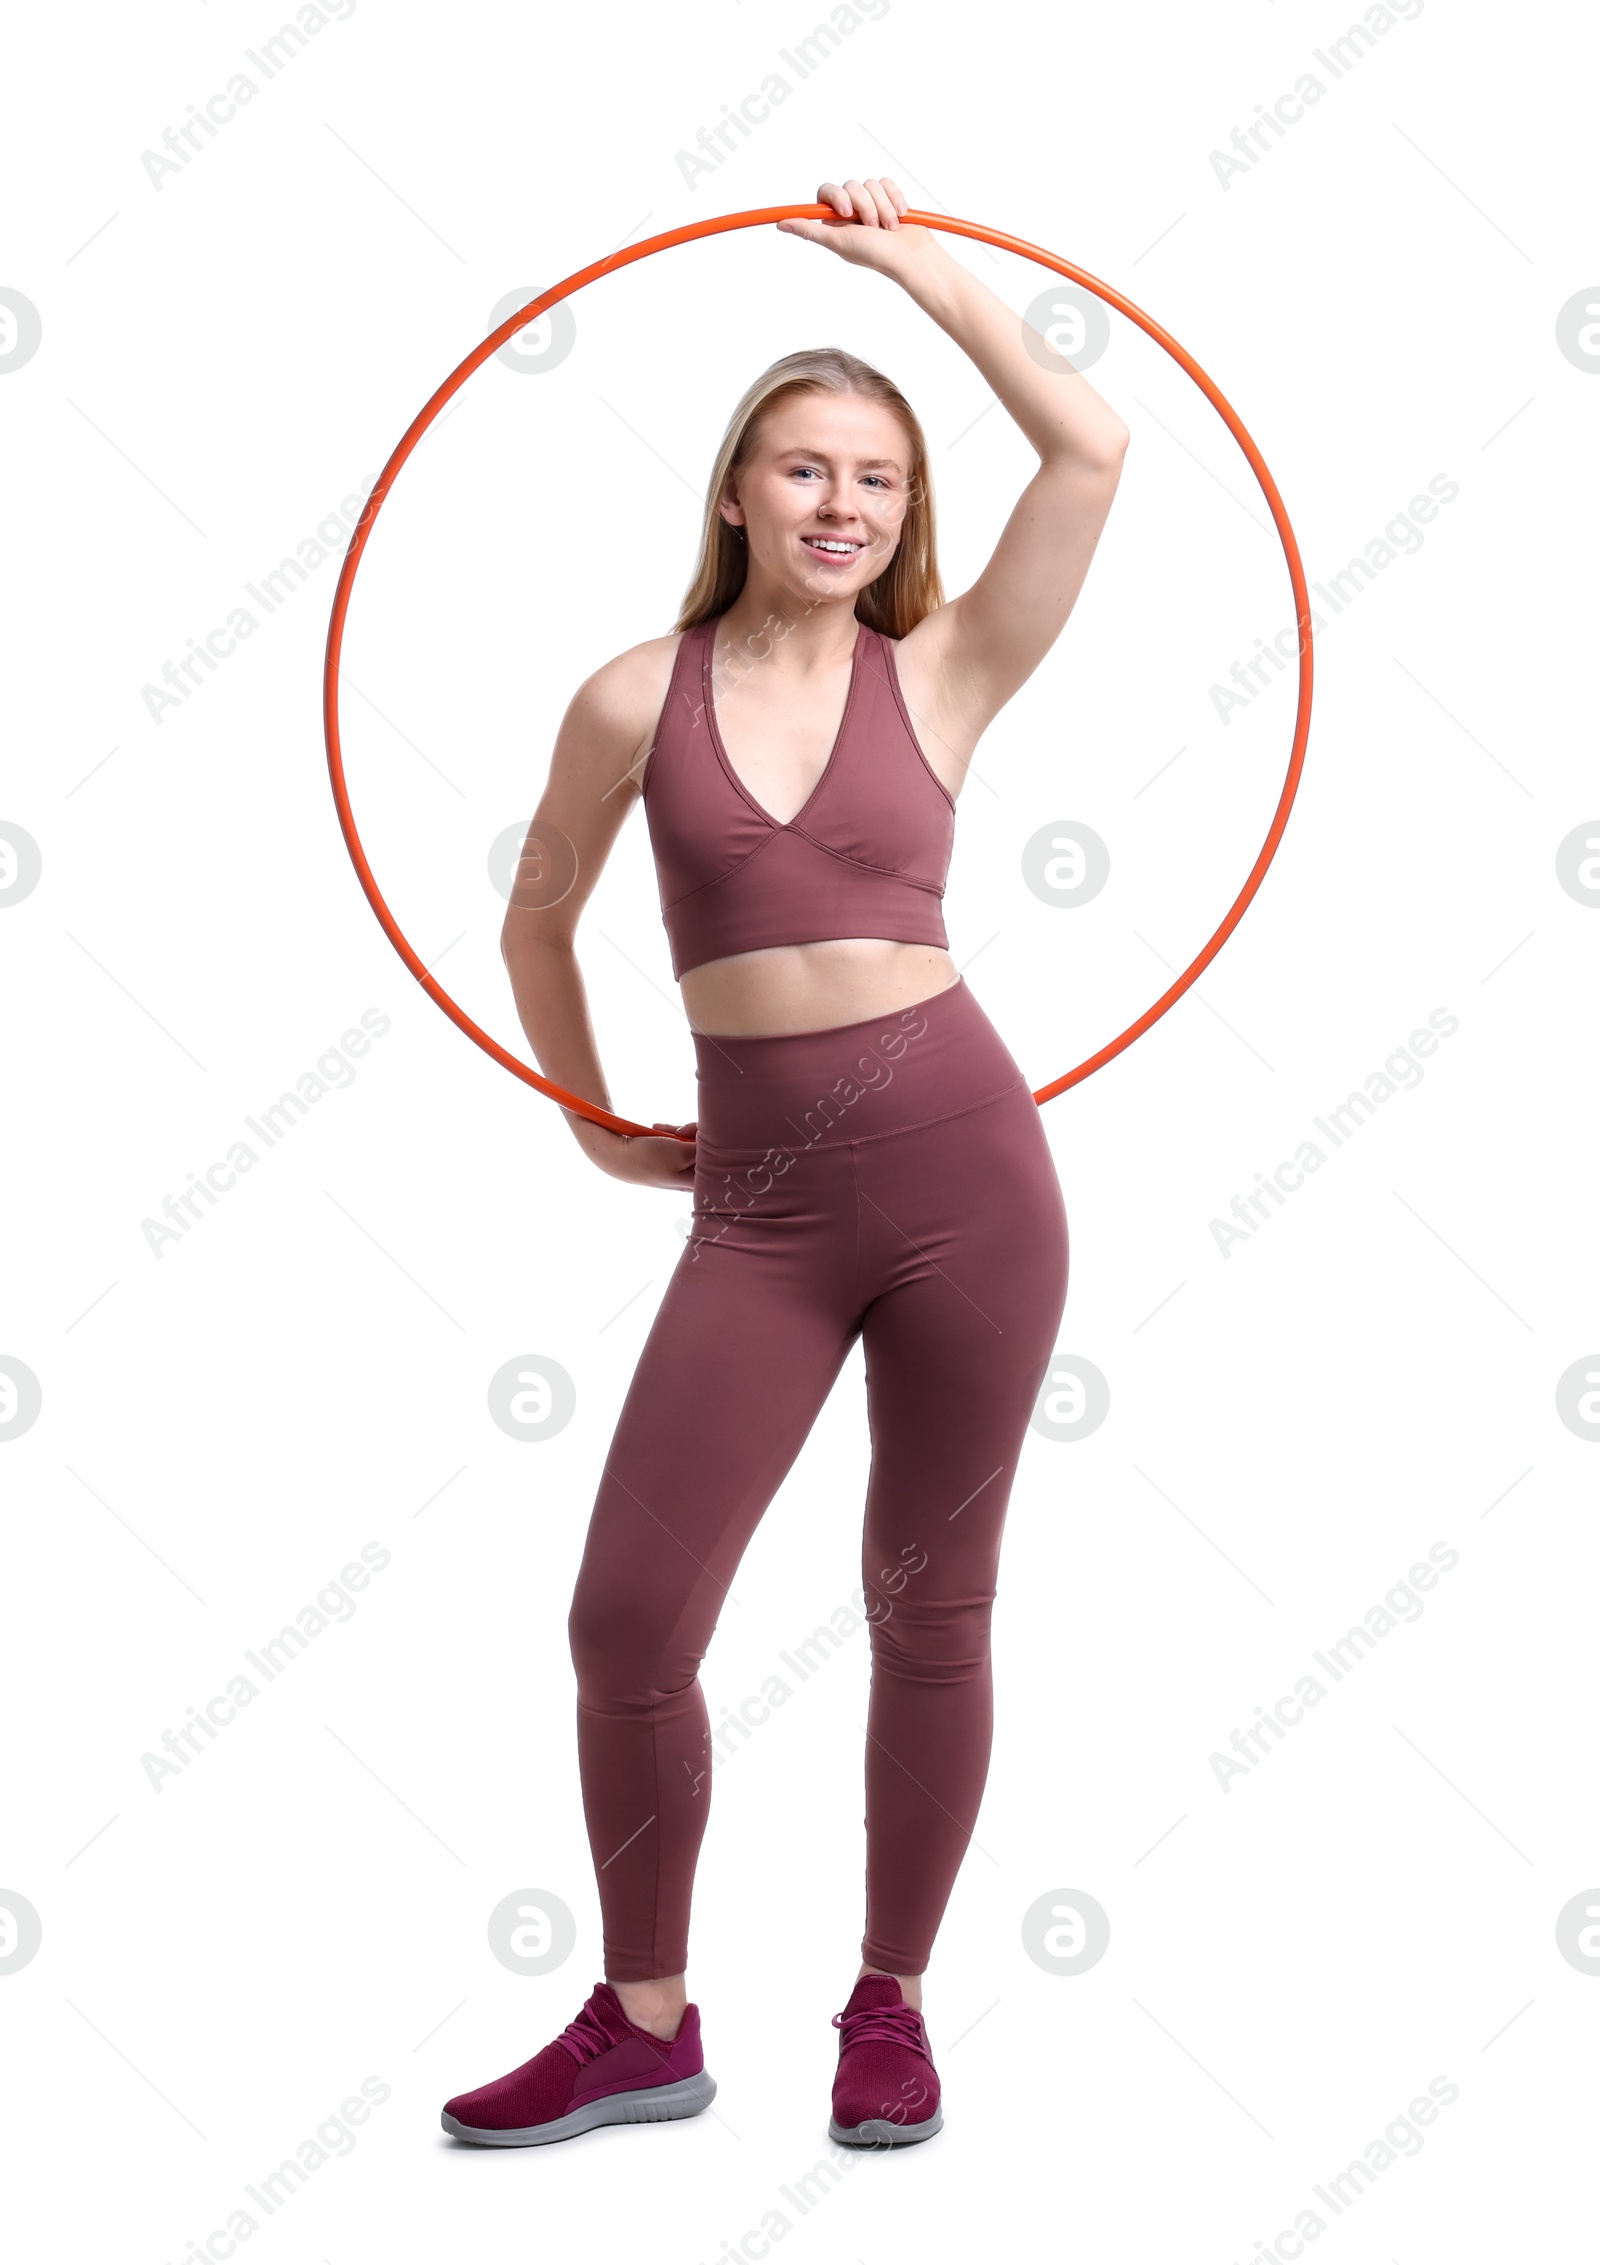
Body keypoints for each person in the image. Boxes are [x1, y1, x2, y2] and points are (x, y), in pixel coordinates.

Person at [441, 174, 1128, 2150]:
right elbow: (532, 925)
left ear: (902, 519)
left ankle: (889, 2001)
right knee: (624, 1619)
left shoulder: (945, 675)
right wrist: (586, 1112)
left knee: (928, 1599)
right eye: (804, 469)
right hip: (750, 1211)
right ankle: (643, 2014)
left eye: (879, 483)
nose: (843, 507)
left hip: (961, 1182)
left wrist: (910, 274)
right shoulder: (623, 698)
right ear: (736, 491)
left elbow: (1091, 445)